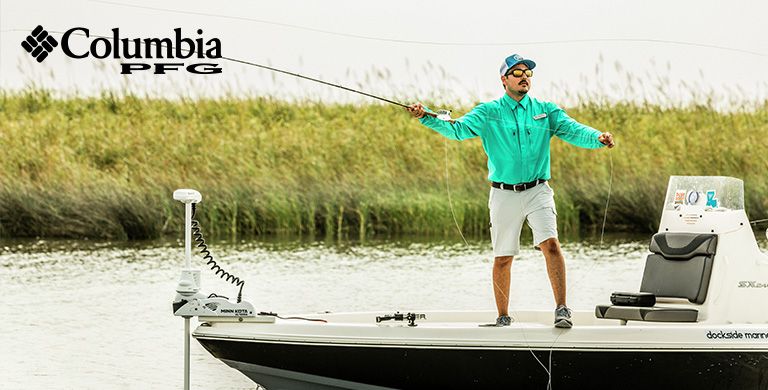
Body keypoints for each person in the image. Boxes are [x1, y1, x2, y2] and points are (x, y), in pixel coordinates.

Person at [407, 54, 615, 328]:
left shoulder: (545, 110)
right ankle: (503, 316)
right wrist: (426, 116)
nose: (524, 76)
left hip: (538, 189)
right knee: (503, 257)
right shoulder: (488, 112)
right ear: (504, 80)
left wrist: (598, 137)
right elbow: (458, 129)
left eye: (528, 72)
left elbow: (572, 129)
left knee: (551, 245)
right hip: (503, 193)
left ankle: (562, 309)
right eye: (517, 72)